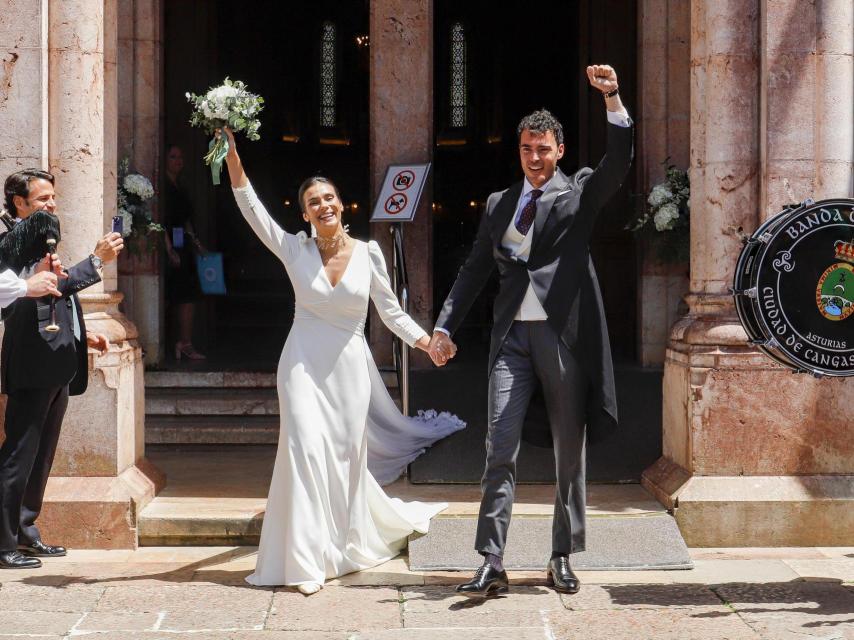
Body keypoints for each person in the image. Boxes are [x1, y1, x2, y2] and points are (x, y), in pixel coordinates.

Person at [220, 126, 463, 594]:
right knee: (304, 450)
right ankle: (305, 562)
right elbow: (249, 205)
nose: (324, 206)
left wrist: (426, 342)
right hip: (301, 364)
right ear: (304, 212)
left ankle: (341, 544)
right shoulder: (293, 248)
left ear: (341, 203)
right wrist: (232, 156)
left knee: (346, 459)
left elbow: (390, 312)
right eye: (314, 201)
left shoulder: (368, 253)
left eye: (329, 197)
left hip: (349, 370)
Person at [429, 65, 634, 597]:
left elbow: (618, 162)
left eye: (543, 149)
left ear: (559, 150)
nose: (535, 158)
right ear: (518, 151)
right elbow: (474, 271)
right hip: (510, 341)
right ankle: (491, 560)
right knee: (499, 444)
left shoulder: (579, 192)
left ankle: (562, 554)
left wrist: (611, 98)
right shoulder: (499, 204)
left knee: (569, 449)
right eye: (526, 149)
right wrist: (445, 326)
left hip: (562, 337)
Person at [0, 169, 124, 570]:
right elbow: (26, 292)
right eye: (42, 199)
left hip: (56, 360)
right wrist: (96, 260)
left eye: (52, 197)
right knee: (19, 454)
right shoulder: (10, 240)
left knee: (42, 456)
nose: (51, 205)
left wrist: (79, 336)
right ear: (19, 203)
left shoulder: (39, 238)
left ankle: (25, 532)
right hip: (31, 362)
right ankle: (3, 544)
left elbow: (54, 290)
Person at [163, 144, 206, 360]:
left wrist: (197, 244)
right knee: (177, 296)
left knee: (187, 295)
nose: (178, 161)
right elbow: (159, 220)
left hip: (184, 245)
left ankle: (185, 343)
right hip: (169, 246)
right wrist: (169, 248)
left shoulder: (180, 185)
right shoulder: (162, 187)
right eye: (173, 157)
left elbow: (185, 219)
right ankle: (180, 343)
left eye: (180, 157)